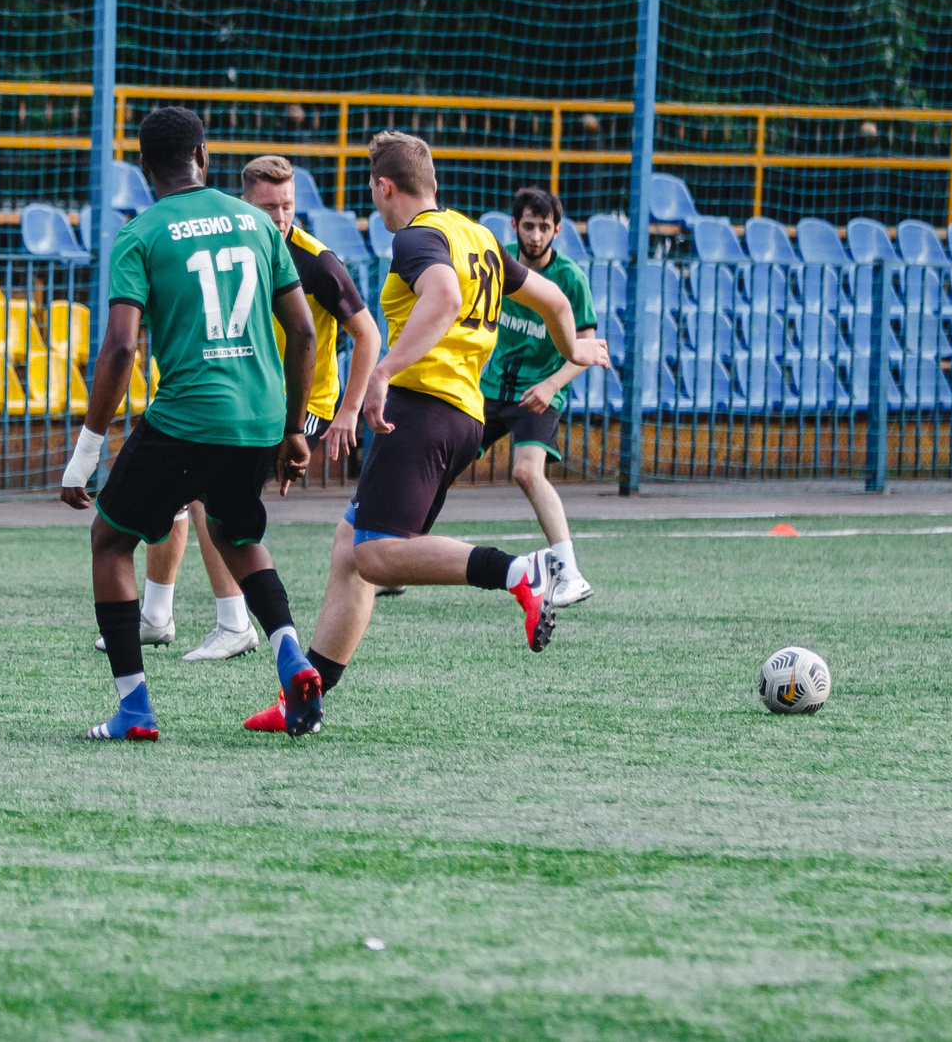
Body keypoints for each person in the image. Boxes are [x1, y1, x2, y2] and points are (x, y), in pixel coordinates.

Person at [242, 132, 609, 734]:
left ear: (386, 188)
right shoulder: (481, 236)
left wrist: (383, 370)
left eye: (373, 194)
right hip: (461, 416)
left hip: (418, 412)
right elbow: (556, 302)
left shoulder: (416, 237)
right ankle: (302, 700)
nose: (375, 207)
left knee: (377, 555)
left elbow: (441, 297)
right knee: (351, 547)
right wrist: (577, 350)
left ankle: (520, 572)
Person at [61, 107, 321, 741]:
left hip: (186, 416)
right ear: (203, 155)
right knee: (237, 536)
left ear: (145, 167)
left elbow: (121, 349)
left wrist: (85, 453)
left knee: (110, 541)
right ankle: (290, 653)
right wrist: (292, 430)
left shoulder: (140, 233)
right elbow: (306, 331)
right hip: (258, 417)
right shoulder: (259, 223)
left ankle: (133, 708)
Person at [167, 155, 383, 661]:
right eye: (270, 207)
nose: (281, 217)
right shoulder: (232, 251)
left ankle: (234, 622)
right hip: (251, 400)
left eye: (288, 205)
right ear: (246, 206)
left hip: (306, 408)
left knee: (206, 492)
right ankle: (157, 616)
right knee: (187, 486)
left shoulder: (318, 262)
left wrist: (349, 410)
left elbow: (368, 335)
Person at [478, 185, 599, 607]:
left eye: (543, 227)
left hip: (541, 392)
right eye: (528, 226)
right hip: (491, 389)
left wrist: (550, 385)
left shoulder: (570, 279)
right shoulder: (498, 261)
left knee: (527, 472)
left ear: (557, 230)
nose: (535, 235)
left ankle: (571, 573)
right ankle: (399, 559)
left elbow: (588, 349)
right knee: (439, 459)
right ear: (514, 226)